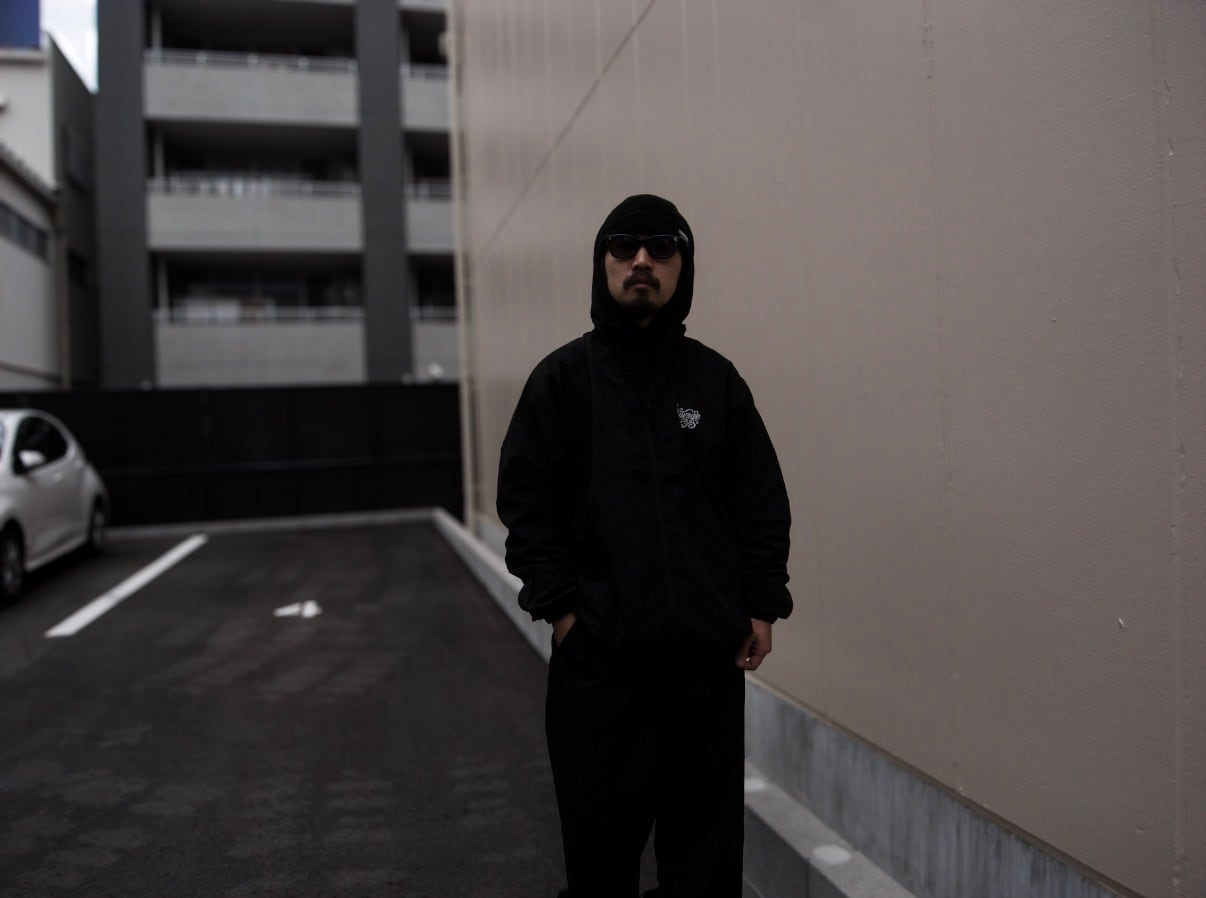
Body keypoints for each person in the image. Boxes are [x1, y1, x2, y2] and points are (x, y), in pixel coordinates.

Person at [497, 194, 792, 898]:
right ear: (601, 263)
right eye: (624, 246)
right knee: (601, 871)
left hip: (704, 674)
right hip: (600, 672)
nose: (641, 261)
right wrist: (564, 615)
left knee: (705, 872)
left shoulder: (716, 383)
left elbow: (759, 502)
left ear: (682, 267)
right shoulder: (562, 382)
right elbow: (527, 507)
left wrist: (762, 603)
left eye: (661, 248)